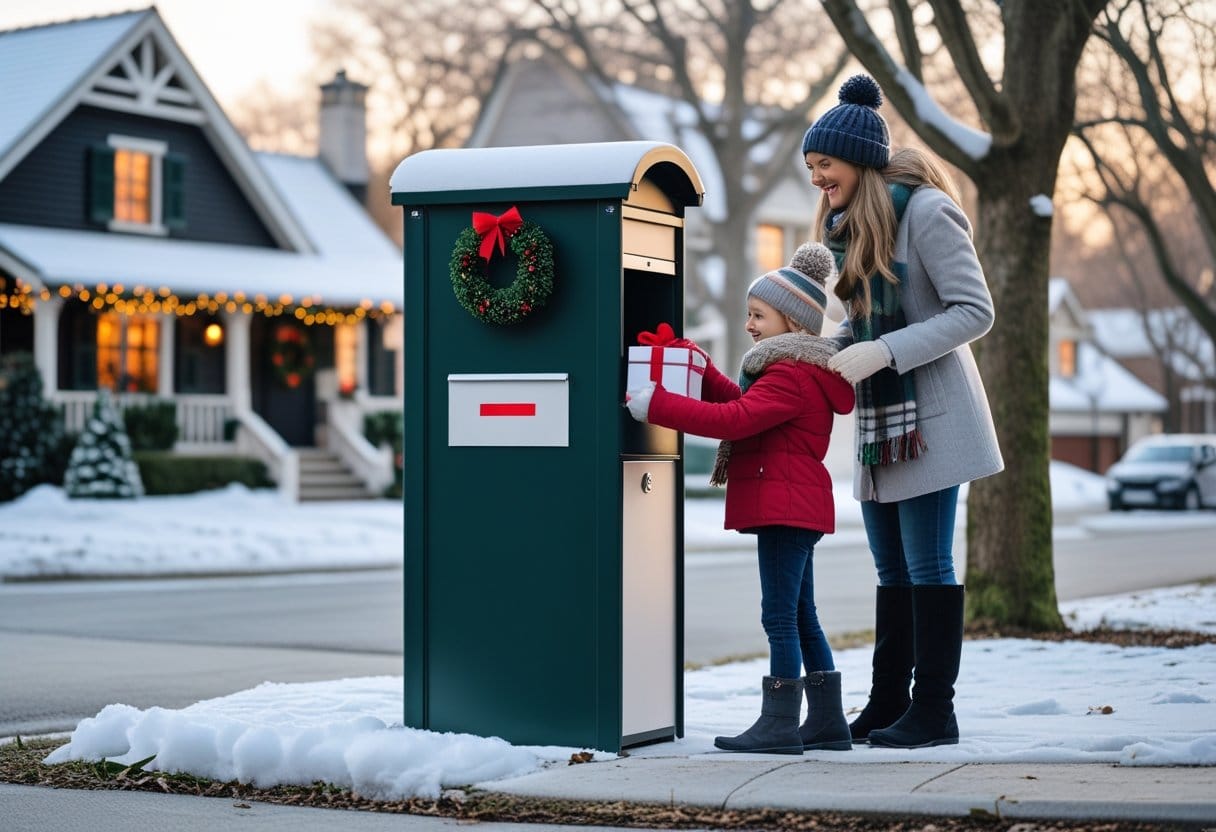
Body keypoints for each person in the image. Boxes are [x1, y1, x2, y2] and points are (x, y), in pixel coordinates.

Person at [801, 74, 1004, 749]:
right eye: (811, 168)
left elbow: (974, 312)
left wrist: (882, 352)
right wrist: (815, 350)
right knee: (890, 571)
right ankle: (889, 700)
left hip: (931, 419)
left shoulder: (925, 212)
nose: (817, 179)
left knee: (928, 567)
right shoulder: (850, 227)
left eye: (824, 165)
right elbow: (859, 330)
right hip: (882, 423)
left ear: (858, 159)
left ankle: (934, 710)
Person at [626, 243, 855, 755]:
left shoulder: (790, 375)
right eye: (748, 314)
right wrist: (702, 371)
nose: (749, 324)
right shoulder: (797, 372)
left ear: (792, 323)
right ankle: (827, 722)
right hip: (794, 504)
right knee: (800, 614)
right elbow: (746, 407)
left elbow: (734, 421)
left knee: (779, 617)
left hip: (784, 507)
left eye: (758, 315)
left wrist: (660, 405)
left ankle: (778, 725)